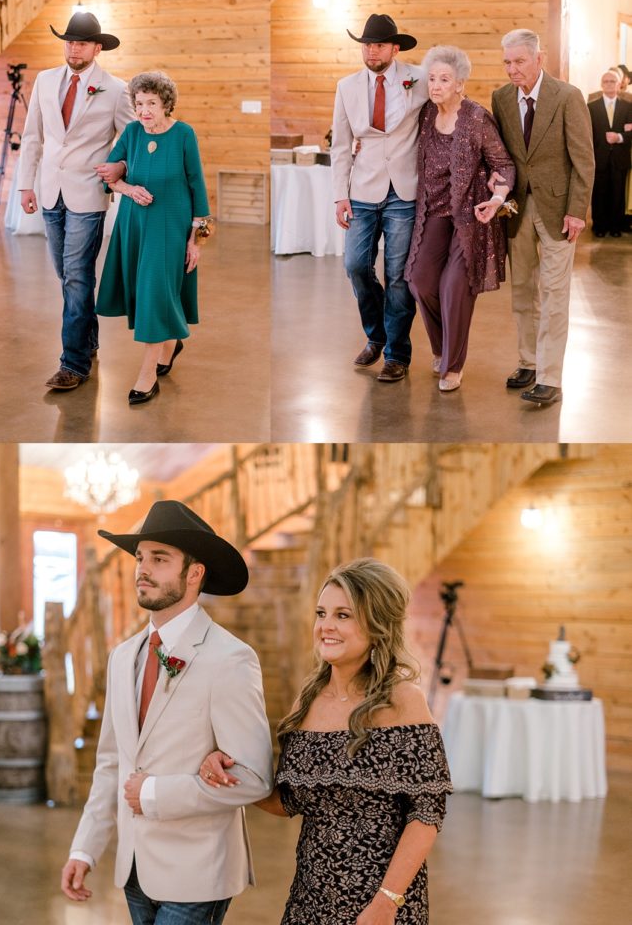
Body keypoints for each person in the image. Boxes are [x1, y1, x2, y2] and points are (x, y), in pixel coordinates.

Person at [201, 558, 452, 925]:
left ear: (377, 624)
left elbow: (427, 814)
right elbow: (288, 803)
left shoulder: (403, 701)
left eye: (343, 615)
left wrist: (386, 903)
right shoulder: (309, 702)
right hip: (310, 900)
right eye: (322, 613)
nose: (326, 626)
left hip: (381, 906)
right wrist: (225, 770)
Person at [60, 500, 274, 925]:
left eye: (160, 559)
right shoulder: (123, 657)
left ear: (194, 574)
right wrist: (85, 848)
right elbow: (111, 764)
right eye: (141, 558)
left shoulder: (230, 658)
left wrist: (155, 794)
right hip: (134, 869)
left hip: (198, 871)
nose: (143, 569)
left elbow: (255, 777)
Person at [18, 11, 134, 392]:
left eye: (81, 42)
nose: (73, 48)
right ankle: (89, 338)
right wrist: (25, 185)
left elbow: (128, 141)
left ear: (97, 48)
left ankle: (74, 363)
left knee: (78, 275)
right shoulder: (46, 80)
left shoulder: (115, 89)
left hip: (88, 193)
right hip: (50, 189)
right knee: (67, 276)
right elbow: (32, 135)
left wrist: (118, 167)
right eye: (68, 41)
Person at [491, 28, 594, 406]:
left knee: (553, 293)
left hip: (559, 211)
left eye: (519, 61)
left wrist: (577, 211)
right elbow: (502, 155)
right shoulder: (501, 98)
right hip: (516, 210)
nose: (512, 70)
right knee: (522, 291)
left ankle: (550, 378)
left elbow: (584, 159)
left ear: (540, 58)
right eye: (507, 62)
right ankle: (529, 362)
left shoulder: (568, 96)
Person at [94, 72, 211, 405]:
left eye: (151, 104)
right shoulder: (131, 133)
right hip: (134, 226)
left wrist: (196, 241)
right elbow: (108, 175)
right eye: (139, 103)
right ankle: (170, 343)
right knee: (151, 293)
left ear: (166, 104)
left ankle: (146, 376)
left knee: (154, 294)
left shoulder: (184, 135)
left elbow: (198, 190)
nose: (144, 110)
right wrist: (128, 188)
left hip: (170, 229)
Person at [404, 46, 516, 392]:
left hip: (471, 218)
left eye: (444, 79)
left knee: (454, 286)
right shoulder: (425, 115)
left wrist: (497, 199)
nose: (435, 85)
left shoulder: (476, 118)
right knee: (420, 280)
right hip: (434, 212)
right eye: (432, 79)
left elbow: (504, 165)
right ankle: (441, 348)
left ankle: (453, 366)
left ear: (460, 84)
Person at [331, 14, 428, 383]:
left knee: (399, 276)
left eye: (380, 44)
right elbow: (340, 146)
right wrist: (340, 195)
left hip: (406, 190)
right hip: (362, 190)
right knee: (355, 266)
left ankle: (396, 354)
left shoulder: (419, 78)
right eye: (367, 44)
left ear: (395, 48)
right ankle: (376, 334)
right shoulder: (346, 87)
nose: (372, 50)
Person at [587, 69, 632, 238]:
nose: (609, 84)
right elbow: (587, 132)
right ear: (601, 84)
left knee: (618, 193)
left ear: (619, 85)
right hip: (599, 156)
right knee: (599, 192)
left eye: (612, 81)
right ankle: (599, 225)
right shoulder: (591, 107)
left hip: (620, 156)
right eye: (605, 81)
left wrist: (619, 137)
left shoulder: (628, 106)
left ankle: (615, 226)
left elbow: (631, 131)